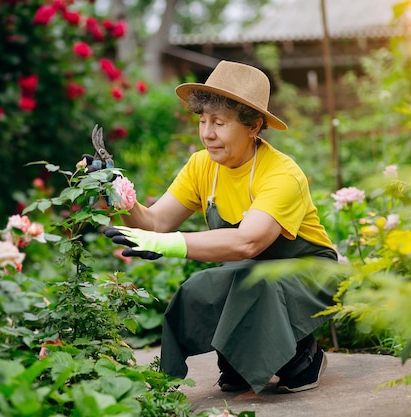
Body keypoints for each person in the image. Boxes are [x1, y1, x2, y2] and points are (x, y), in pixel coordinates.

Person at [103, 60, 338, 394]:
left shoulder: (282, 174)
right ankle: (237, 362)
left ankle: (303, 359)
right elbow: (155, 222)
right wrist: (119, 194)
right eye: (202, 120)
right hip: (251, 270)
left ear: (254, 126)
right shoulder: (202, 165)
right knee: (199, 288)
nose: (207, 133)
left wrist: (166, 244)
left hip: (312, 271)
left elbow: (248, 243)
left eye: (219, 122)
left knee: (258, 284)